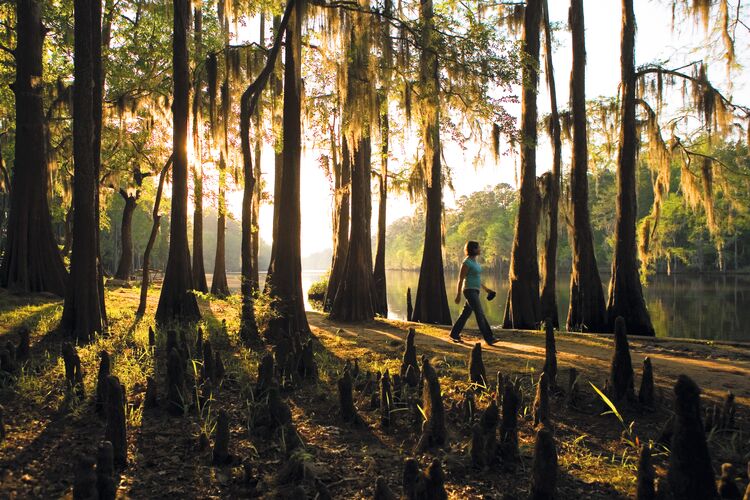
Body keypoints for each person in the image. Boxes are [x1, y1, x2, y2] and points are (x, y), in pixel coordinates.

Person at [449, 241, 496, 345]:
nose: (480, 249)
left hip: (475, 290)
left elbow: (478, 279)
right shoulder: (466, 263)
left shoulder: (475, 262)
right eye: (478, 248)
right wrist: (458, 295)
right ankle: (489, 338)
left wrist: (487, 290)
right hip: (469, 290)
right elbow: (460, 279)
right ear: (473, 249)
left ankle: (454, 334)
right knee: (480, 313)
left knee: (465, 314)